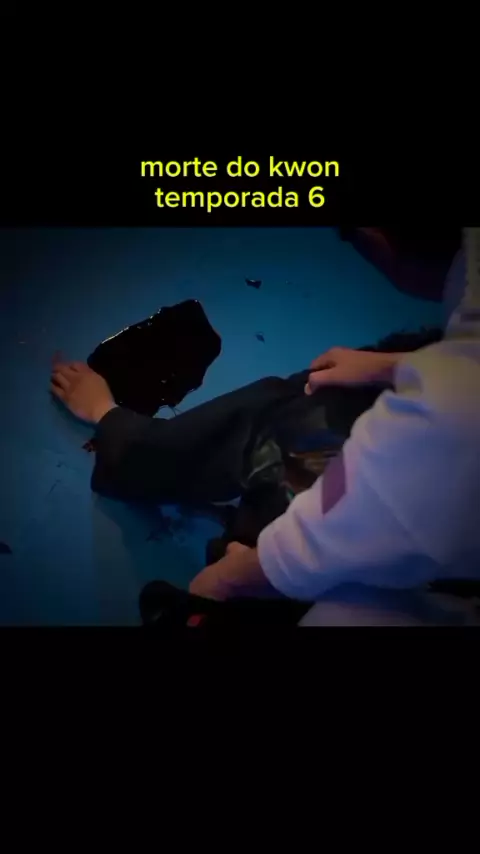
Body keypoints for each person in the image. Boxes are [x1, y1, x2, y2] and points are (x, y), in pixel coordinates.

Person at [50, 229, 480, 620]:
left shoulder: (436, 435)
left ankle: (127, 439)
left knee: (293, 426)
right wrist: (393, 366)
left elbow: (318, 540)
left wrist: (229, 580)